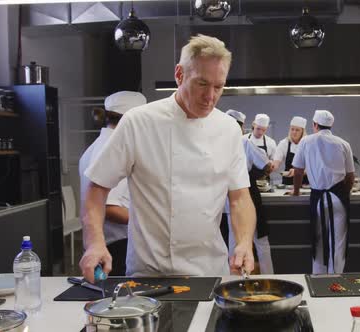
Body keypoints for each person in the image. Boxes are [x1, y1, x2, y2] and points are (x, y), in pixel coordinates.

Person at [79, 34, 256, 282]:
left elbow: (239, 198)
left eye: (219, 87)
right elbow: (96, 187)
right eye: (202, 84)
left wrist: (244, 242)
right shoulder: (139, 122)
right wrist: (94, 243)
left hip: (210, 271)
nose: (210, 97)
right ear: (179, 75)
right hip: (150, 273)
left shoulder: (228, 129)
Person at [78, 91, 146, 276]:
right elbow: (109, 207)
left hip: (105, 242)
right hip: (117, 245)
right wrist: (149, 224)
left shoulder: (97, 146)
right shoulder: (114, 148)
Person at [291, 110, 355, 274]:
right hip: (338, 197)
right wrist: (344, 194)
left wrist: (296, 192)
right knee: (338, 242)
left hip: (318, 197)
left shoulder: (306, 141)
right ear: (331, 125)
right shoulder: (343, 143)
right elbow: (350, 176)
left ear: (315, 125)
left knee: (317, 239)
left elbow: (298, 170)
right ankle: (336, 279)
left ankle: (318, 278)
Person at [226, 109, 274, 274]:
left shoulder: (216, 143)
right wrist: (256, 174)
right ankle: (269, 277)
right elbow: (267, 165)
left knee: (233, 240)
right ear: (242, 127)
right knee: (260, 240)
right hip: (247, 193)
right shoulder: (245, 143)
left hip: (225, 196)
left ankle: (234, 279)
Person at [273, 116, 309, 185]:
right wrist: (270, 166)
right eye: (292, 129)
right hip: (288, 183)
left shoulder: (308, 144)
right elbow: (276, 162)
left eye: (297, 130)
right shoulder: (284, 143)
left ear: (302, 131)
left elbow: (312, 167)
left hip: (305, 183)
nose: (294, 132)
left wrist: (298, 172)